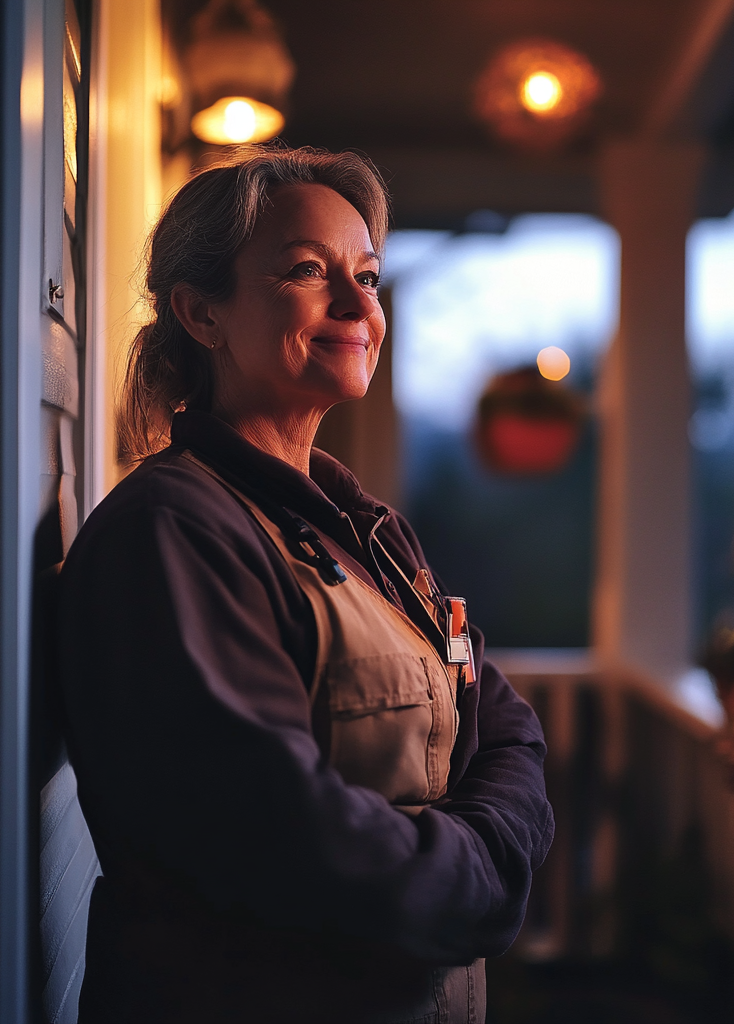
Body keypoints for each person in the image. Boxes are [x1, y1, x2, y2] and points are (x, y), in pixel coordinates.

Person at [58, 146, 554, 1024]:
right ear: (201, 313)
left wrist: (481, 844)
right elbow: (293, 841)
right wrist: (488, 865)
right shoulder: (172, 532)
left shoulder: (363, 527)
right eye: (306, 271)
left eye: (367, 274)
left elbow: (503, 721)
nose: (362, 304)